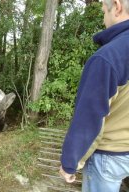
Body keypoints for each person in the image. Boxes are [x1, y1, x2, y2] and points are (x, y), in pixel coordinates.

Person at [59, 0, 129, 191]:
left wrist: (70, 163)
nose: (104, 18)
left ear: (117, 6)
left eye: (103, 12)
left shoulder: (108, 57)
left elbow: (90, 118)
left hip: (110, 156)